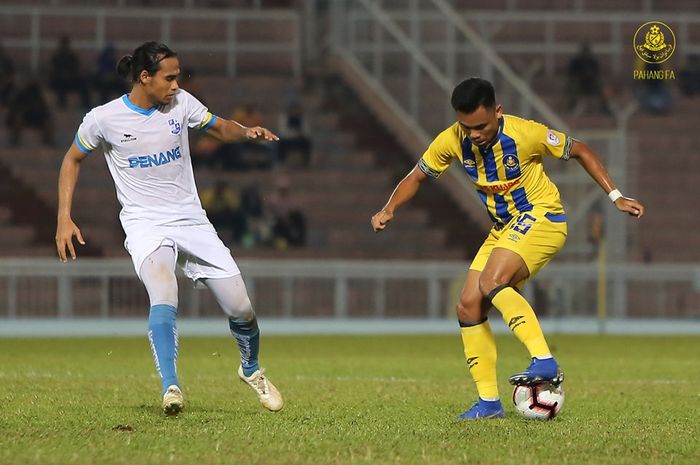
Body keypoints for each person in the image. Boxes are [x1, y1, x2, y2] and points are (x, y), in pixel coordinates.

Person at [370, 77, 644, 419]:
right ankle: (488, 404)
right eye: (465, 126)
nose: (473, 134)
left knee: (492, 281)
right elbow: (416, 176)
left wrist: (615, 196)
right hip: (504, 229)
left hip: (543, 217)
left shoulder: (525, 133)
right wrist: (389, 208)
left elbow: (581, 150)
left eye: (481, 126)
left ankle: (544, 360)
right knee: (468, 305)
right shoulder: (452, 141)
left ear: (498, 112)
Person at [55, 41, 283, 416]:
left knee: (241, 308)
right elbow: (72, 158)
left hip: (192, 219)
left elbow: (220, 127)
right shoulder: (104, 118)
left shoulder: (180, 104)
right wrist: (64, 216)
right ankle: (171, 386)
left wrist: (245, 131)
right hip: (145, 223)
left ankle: (251, 369)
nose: (177, 85)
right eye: (170, 77)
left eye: (178, 77)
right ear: (144, 78)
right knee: (164, 292)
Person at [49, 36, 91, 109]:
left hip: (70, 79)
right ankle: (61, 104)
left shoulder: (72, 57)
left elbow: (76, 69)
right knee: (60, 83)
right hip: (59, 80)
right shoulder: (56, 57)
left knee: (83, 83)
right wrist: (62, 75)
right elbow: (53, 71)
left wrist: (70, 75)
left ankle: (86, 105)